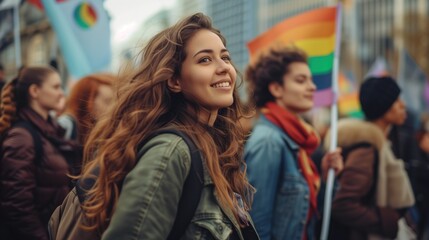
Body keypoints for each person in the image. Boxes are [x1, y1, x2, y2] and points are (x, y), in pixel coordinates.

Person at [77, 13, 259, 239]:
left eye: (225, 57)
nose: (224, 67)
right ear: (174, 81)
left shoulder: (213, 148)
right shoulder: (172, 151)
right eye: (205, 59)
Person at [244, 47, 343, 240]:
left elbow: (307, 219)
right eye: (301, 80)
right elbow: (256, 225)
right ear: (276, 89)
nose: (312, 87)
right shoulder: (268, 142)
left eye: (311, 80)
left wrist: (325, 178)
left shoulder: (297, 141)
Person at [326, 76, 415, 239]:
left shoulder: (385, 143)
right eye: (396, 101)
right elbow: (343, 205)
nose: (403, 105)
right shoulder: (367, 149)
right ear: (384, 108)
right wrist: (389, 222)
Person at [0, 66, 78, 240]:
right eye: (56, 87)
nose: (61, 92)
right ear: (35, 91)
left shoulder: (49, 130)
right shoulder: (22, 137)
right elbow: (17, 205)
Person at [58, 73, 114, 143]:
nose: (114, 107)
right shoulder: (67, 125)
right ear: (87, 102)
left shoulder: (105, 129)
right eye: (108, 101)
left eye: (116, 101)